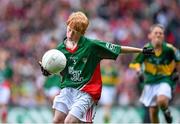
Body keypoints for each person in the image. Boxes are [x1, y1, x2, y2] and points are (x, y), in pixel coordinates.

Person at [39, 11, 154, 123]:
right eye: (69, 30)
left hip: (86, 92)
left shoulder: (92, 46)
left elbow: (118, 48)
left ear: (82, 33)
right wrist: (48, 71)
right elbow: (60, 71)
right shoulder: (60, 50)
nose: (70, 34)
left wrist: (141, 51)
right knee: (57, 120)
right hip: (67, 90)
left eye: (74, 32)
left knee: (70, 121)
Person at [130, 24, 180, 123]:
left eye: (160, 33)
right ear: (150, 36)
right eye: (156, 33)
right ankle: (164, 111)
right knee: (153, 112)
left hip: (164, 79)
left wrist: (177, 73)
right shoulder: (147, 49)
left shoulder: (169, 49)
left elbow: (178, 60)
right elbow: (136, 63)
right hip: (150, 81)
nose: (158, 35)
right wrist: (139, 71)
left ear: (163, 36)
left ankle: (166, 111)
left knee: (161, 100)